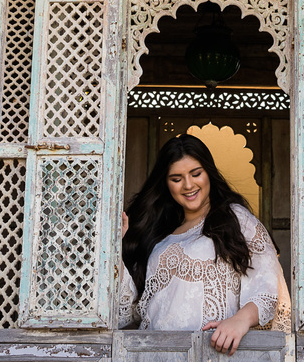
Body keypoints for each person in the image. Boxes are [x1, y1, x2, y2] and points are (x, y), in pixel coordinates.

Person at [119, 134, 291, 354]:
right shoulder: (158, 232)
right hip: (156, 353)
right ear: (166, 183)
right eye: (176, 178)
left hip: (213, 353)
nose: (188, 185)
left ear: (209, 172)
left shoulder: (235, 220)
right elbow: (130, 311)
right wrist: (116, 247)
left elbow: (269, 285)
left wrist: (240, 320)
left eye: (196, 173)